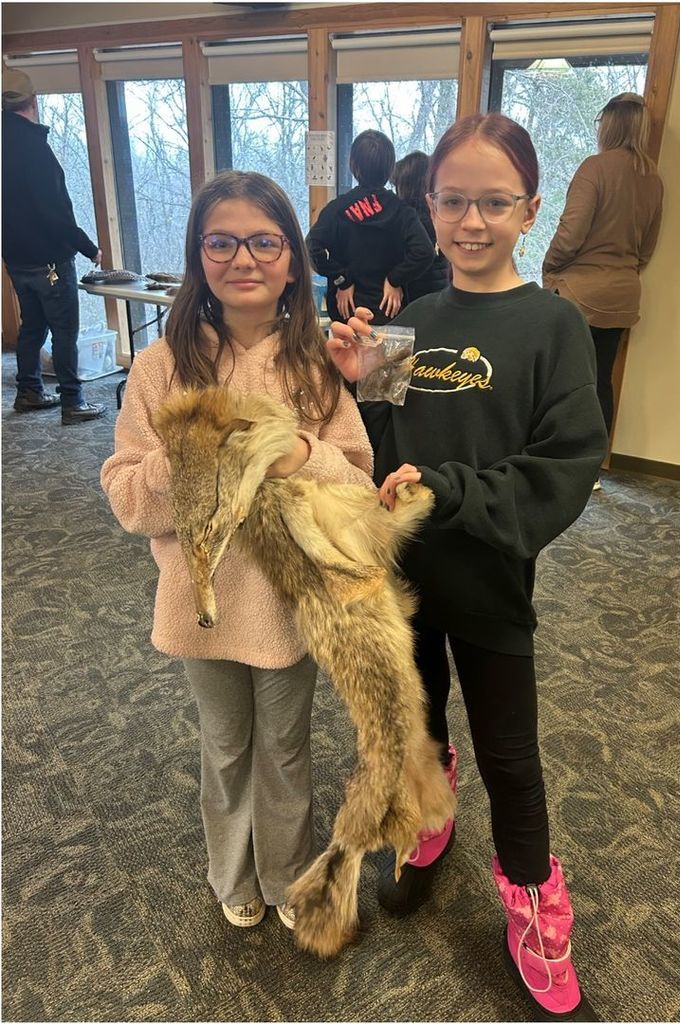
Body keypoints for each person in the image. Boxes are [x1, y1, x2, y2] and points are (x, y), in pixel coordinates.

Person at [327, 114, 607, 1021]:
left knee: (513, 758)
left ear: (531, 210)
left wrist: (450, 491)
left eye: (494, 202)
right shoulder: (416, 324)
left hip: (489, 580)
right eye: (453, 201)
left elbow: (564, 465)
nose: (471, 221)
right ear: (429, 206)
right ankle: (429, 818)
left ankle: (534, 909)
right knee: (418, 727)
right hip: (404, 580)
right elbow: (378, 454)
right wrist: (357, 377)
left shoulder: (554, 324)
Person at [101, 170, 373, 932]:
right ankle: (232, 873)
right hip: (202, 603)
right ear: (198, 255)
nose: (242, 258)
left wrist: (297, 453)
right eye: (221, 241)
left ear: (291, 259)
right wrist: (183, 457)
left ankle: (288, 876)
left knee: (284, 750)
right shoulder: (162, 367)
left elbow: (355, 486)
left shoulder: (315, 364)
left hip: (290, 599)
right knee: (225, 748)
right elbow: (126, 493)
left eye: (264, 241)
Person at [543, 92, 663, 485]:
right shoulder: (653, 179)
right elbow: (647, 248)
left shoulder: (595, 168)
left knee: (563, 381)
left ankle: (558, 463)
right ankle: (593, 468)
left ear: (608, 126)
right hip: (624, 295)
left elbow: (570, 232)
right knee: (600, 381)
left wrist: (550, 266)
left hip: (580, 293)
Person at [2, 68, 105, 425]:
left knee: (32, 327)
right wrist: (89, 248)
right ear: (33, 102)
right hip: (49, 261)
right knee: (64, 330)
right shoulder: (35, 149)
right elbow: (54, 213)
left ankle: (29, 392)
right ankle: (73, 402)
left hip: (15, 260)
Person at [307, 129, 433, 325]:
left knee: (343, 355)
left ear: (353, 165)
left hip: (347, 311)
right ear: (391, 168)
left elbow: (311, 248)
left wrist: (342, 279)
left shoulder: (337, 209)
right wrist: (395, 279)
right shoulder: (402, 210)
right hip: (389, 310)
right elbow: (424, 252)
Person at [390, 150, 450, 302]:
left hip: (415, 297)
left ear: (406, 185)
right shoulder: (439, 215)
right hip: (441, 292)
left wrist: (393, 279)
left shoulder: (407, 220)